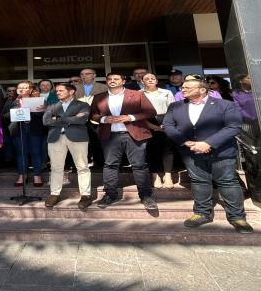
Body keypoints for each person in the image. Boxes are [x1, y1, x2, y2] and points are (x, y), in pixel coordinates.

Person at [163, 79, 251, 233]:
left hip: (221, 152)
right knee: (199, 181)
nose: (183, 90)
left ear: (202, 90)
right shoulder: (175, 106)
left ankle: (237, 217)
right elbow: (169, 126)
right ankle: (202, 213)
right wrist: (184, 142)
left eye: (187, 87)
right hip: (190, 151)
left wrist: (208, 143)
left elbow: (233, 127)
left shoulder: (225, 105)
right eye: (182, 87)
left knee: (227, 181)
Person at [90, 72, 158, 210]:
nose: (113, 81)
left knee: (139, 165)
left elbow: (151, 112)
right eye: (110, 79)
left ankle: (146, 196)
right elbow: (92, 114)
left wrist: (130, 117)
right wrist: (104, 119)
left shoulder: (137, 94)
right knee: (110, 165)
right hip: (110, 136)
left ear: (123, 81)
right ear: (106, 82)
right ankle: (110, 195)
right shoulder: (99, 97)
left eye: (116, 79)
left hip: (134, 134)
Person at [43, 83, 92, 211]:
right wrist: (72, 118)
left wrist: (58, 118)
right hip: (55, 138)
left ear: (71, 92)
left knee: (82, 166)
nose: (57, 92)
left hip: (78, 138)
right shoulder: (52, 105)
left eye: (60, 90)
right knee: (56, 167)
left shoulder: (82, 105)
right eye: (57, 91)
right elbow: (46, 121)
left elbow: (82, 120)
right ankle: (54, 194)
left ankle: (85, 195)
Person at [2, 81, 47, 187]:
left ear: (31, 90)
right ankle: (22, 175)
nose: (22, 89)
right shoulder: (11, 101)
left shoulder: (39, 100)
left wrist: (44, 110)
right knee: (21, 153)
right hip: (18, 129)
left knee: (36, 152)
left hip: (34, 129)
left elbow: (45, 116)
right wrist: (17, 110)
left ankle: (37, 175)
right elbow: (4, 116)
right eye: (20, 88)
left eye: (25, 87)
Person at [141, 73, 177, 188]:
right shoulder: (138, 94)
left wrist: (168, 123)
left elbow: (173, 109)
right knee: (151, 150)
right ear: (142, 82)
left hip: (166, 119)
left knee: (167, 149)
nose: (150, 80)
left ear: (157, 81)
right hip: (147, 121)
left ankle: (168, 176)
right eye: (147, 79)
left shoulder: (166, 92)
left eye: (153, 78)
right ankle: (155, 175)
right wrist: (152, 126)